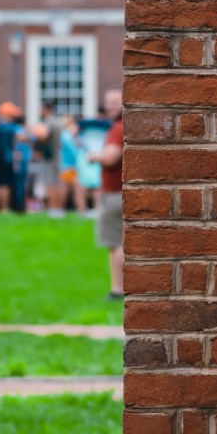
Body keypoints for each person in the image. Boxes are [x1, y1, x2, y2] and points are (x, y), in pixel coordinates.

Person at [87, 89, 124, 301]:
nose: (111, 105)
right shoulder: (120, 127)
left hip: (114, 195)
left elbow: (111, 158)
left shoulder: (118, 128)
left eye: (115, 101)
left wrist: (95, 156)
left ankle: (117, 290)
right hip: (117, 193)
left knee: (115, 242)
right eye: (108, 102)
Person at [0, 102, 24, 214]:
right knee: (5, 185)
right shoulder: (8, 127)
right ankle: (3, 209)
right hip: (5, 160)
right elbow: (24, 136)